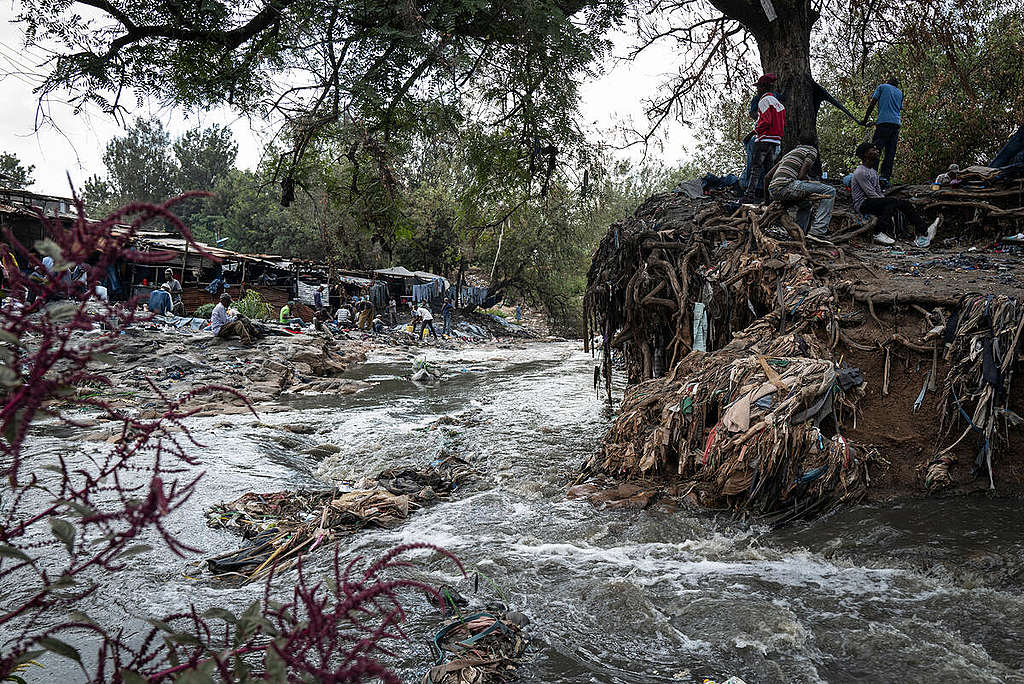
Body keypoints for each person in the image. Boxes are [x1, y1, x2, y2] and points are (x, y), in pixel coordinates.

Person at [851, 142, 940, 245]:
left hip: (874, 201)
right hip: (863, 203)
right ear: (866, 154)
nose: (877, 151)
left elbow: (878, 191)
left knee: (904, 203)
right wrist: (886, 201)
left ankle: (924, 231)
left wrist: (887, 201)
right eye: (873, 150)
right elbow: (870, 193)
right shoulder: (860, 172)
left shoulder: (873, 172)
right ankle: (878, 232)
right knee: (892, 202)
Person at [764, 138, 836, 237]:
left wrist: (766, 200)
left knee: (806, 205)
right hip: (788, 186)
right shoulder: (811, 150)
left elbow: (767, 177)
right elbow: (801, 175)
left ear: (798, 144)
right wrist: (809, 183)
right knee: (829, 191)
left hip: (773, 190)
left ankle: (798, 233)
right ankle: (818, 232)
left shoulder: (789, 154)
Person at [743, 74, 786, 203]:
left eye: (759, 87)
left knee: (755, 170)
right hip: (775, 141)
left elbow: (766, 121)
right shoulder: (778, 104)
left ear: (764, 87)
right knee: (769, 171)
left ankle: (749, 196)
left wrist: (754, 132)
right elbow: (781, 123)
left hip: (763, 140)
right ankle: (769, 198)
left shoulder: (763, 101)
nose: (757, 90)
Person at [861, 77, 904, 183]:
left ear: (888, 82)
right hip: (895, 125)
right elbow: (893, 110)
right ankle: (885, 177)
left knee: (875, 149)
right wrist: (875, 122)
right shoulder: (899, 93)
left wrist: (865, 120)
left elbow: (873, 104)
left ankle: (872, 175)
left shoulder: (882, 87)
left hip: (884, 124)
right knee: (890, 152)